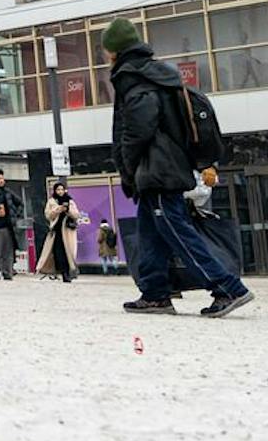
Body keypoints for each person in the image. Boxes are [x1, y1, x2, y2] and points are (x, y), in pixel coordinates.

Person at [105, 17, 252, 317]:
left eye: (106, 50)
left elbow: (137, 129)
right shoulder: (157, 73)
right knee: (150, 233)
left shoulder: (135, 78)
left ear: (115, 51)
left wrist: (128, 167)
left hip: (157, 169)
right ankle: (155, 293)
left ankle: (227, 287)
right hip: (166, 165)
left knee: (177, 231)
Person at [37, 181, 80, 283]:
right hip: (56, 232)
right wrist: (57, 210)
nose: (60, 192)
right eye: (58, 190)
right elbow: (48, 215)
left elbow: (76, 214)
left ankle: (69, 273)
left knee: (69, 253)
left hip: (68, 231)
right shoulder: (52, 201)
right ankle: (62, 272)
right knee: (58, 253)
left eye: (62, 189)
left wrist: (68, 210)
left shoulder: (70, 201)